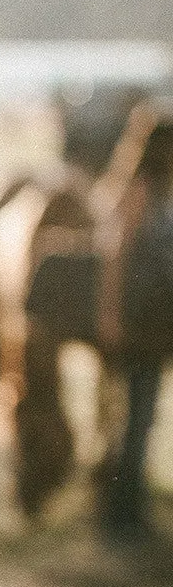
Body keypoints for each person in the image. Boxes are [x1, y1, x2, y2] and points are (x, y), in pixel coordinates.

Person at [97, 108, 173, 547]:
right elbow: (115, 255)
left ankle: (131, 500)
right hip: (137, 322)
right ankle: (122, 508)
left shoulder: (164, 192)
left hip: (157, 322)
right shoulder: (140, 189)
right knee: (135, 415)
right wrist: (111, 314)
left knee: (144, 414)